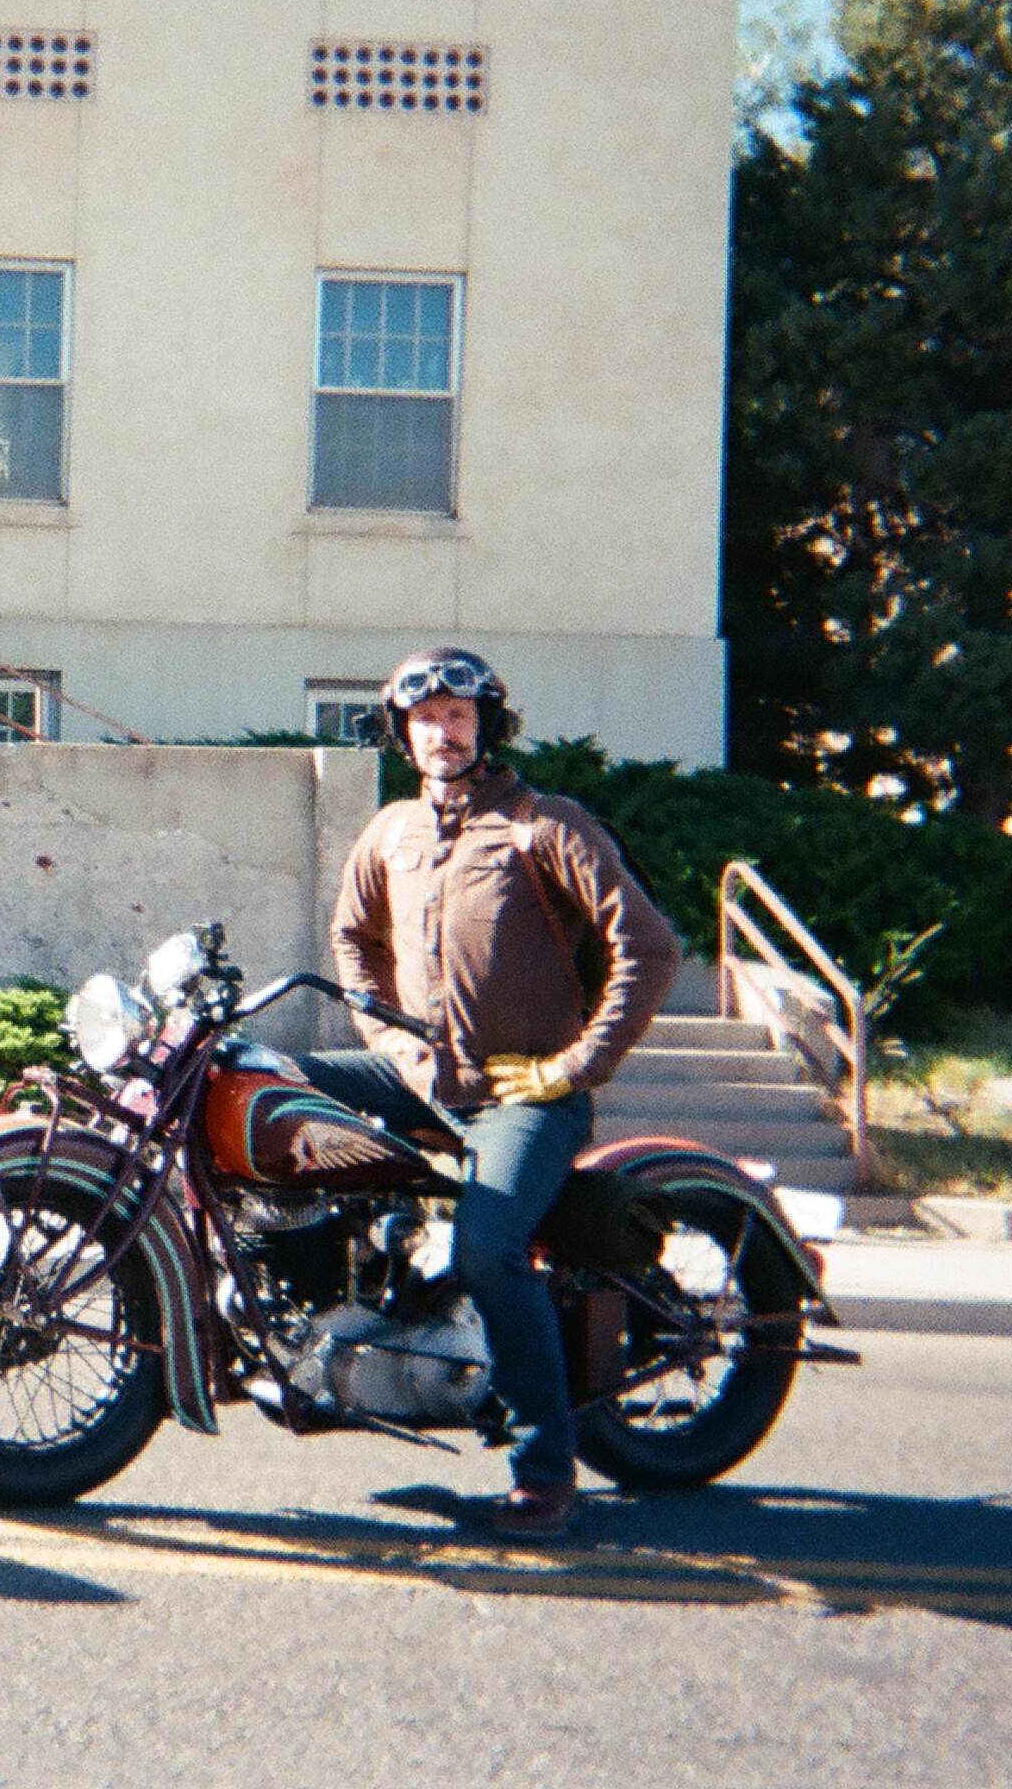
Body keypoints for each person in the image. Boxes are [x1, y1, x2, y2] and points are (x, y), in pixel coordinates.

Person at [303, 648, 680, 1539]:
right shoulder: (391, 831)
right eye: (425, 719)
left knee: (488, 1248)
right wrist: (390, 1040)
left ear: (488, 726)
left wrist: (574, 1067)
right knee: (276, 1087)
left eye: (458, 717)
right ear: (404, 732)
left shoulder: (544, 827)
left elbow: (653, 950)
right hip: (422, 1077)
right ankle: (328, 1326)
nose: (442, 732)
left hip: (526, 1095)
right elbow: (352, 940)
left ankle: (546, 1466)